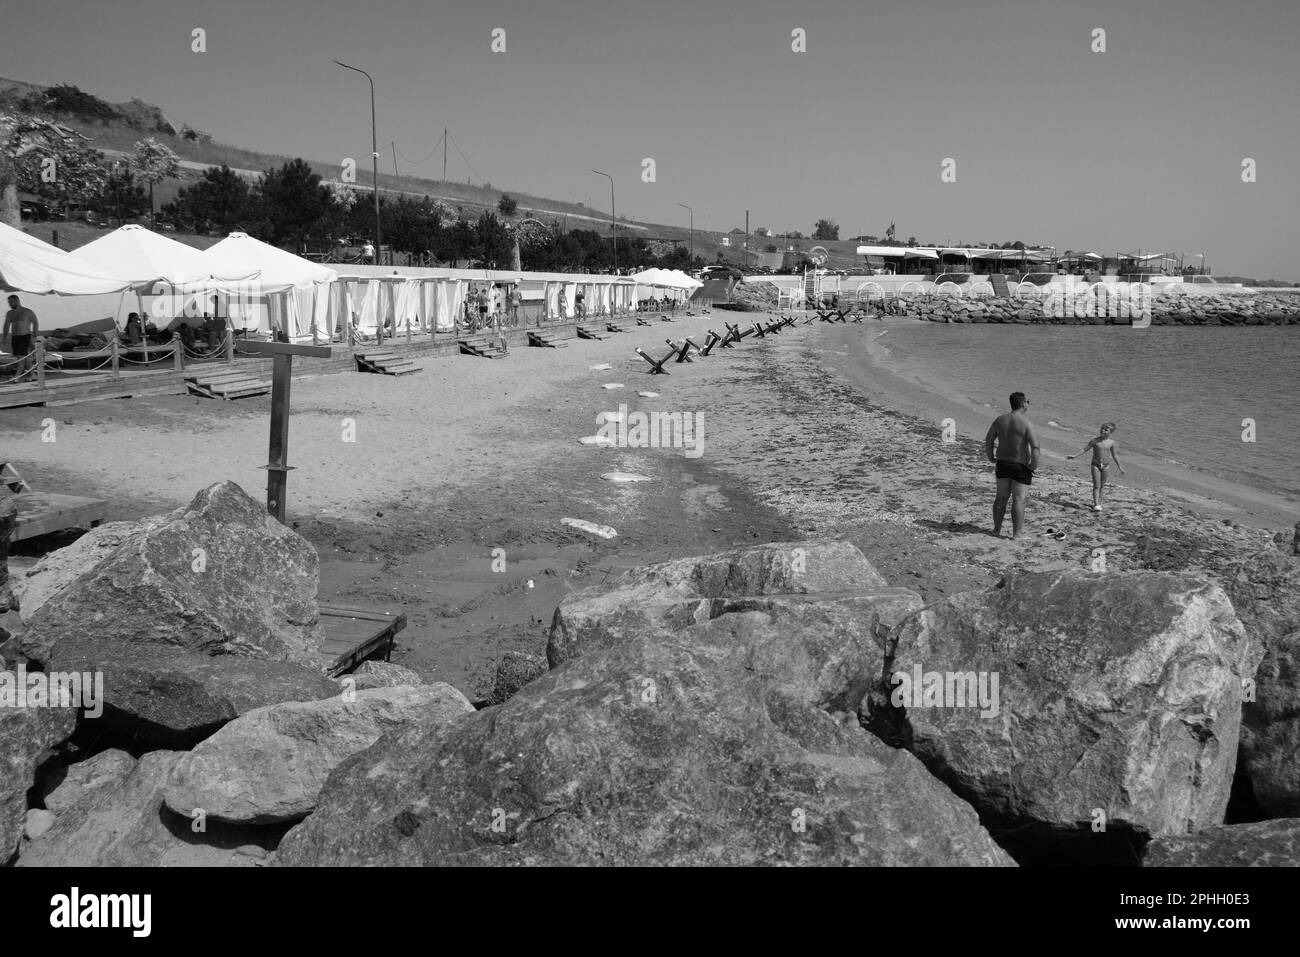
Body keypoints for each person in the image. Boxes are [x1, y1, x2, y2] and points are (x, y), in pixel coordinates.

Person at [984, 391, 1040, 539]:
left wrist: (991, 457)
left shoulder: (1000, 420)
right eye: (1028, 401)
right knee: (1019, 499)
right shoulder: (1026, 423)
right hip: (1020, 466)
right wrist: (1033, 465)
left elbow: (989, 440)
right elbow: (1035, 447)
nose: (1028, 403)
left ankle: (996, 530)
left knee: (1001, 498)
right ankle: (1017, 534)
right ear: (1022, 403)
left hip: (1002, 464)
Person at [1067, 422, 1125, 511]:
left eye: (1106, 430)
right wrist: (1075, 456)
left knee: (1102, 486)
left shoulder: (1111, 443)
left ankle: (1099, 503)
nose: (1103, 430)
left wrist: (1120, 467)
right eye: (1102, 428)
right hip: (1095, 466)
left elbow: (1114, 455)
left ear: (1111, 432)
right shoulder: (1094, 441)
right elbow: (1085, 449)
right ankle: (1096, 504)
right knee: (1096, 486)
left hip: (1106, 466)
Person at [4, 294, 39, 379]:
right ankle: (33, 375)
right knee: (24, 357)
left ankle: (17, 376)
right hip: (15, 337)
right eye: (9, 302)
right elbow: (6, 325)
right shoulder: (10, 313)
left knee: (21, 357)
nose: (10, 304)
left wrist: (34, 336)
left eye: (11, 302)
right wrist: (4, 337)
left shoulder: (27, 311)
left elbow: (35, 323)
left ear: (17, 301)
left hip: (25, 337)